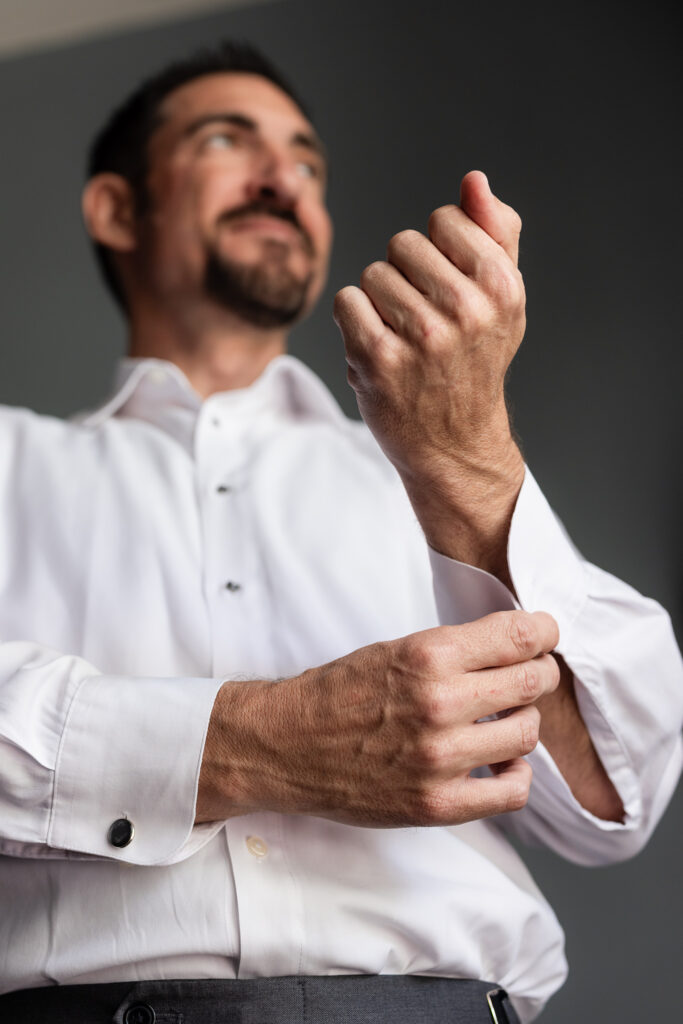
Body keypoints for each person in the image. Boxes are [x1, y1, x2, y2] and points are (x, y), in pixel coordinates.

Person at [0, 40, 681, 1024]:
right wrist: (252, 742)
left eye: (308, 162)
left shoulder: (443, 463)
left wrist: (467, 454)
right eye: (227, 139)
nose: (282, 177)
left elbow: (613, 797)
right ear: (114, 207)